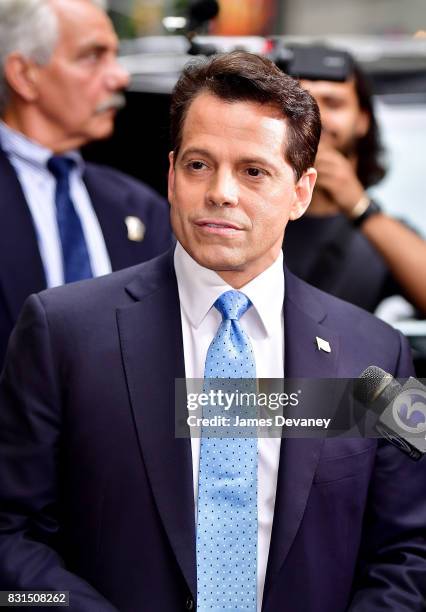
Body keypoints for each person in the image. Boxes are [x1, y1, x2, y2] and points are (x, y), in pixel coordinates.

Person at [0, 51, 425, 612]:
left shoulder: (380, 354)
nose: (221, 191)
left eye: (254, 171)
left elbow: (412, 549)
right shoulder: (61, 332)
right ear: (172, 174)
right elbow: (10, 540)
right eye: (199, 165)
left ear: (301, 191)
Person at [0, 0, 172, 368]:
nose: (120, 77)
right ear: (24, 74)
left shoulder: (140, 206)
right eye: (93, 56)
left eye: (115, 55)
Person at [283, 45, 426, 315]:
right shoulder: (250, 209)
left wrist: (359, 206)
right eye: (301, 104)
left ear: (362, 120)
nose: (318, 117)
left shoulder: (381, 232)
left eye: (333, 104)